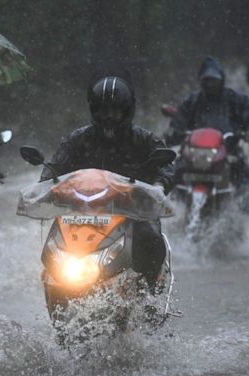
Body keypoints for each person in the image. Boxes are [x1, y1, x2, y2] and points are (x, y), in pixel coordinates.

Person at [40, 74, 175, 289]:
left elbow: (166, 167)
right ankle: (54, 284)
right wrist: (47, 183)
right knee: (55, 242)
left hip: (134, 211)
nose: (109, 116)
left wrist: (159, 186)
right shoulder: (78, 139)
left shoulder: (143, 139)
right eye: (103, 110)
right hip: (83, 211)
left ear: (127, 110)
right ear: (94, 111)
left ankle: (151, 286)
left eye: (115, 111)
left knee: (149, 234)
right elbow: (55, 167)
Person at [164, 56, 249, 213]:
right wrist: (172, 131)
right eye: (207, 80)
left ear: (221, 79)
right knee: (168, 176)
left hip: (228, 150)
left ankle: (245, 223)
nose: (210, 84)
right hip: (194, 152)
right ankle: (169, 215)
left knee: (247, 180)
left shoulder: (235, 99)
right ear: (201, 81)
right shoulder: (193, 100)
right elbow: (179, 120)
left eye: (214, 80)